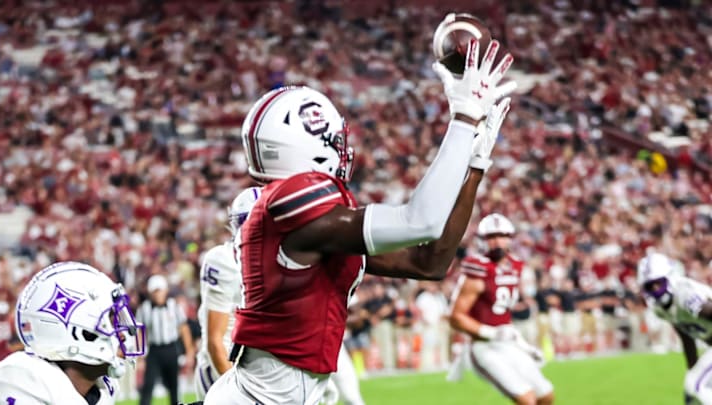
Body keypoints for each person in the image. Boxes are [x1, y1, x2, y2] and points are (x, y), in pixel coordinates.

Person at [204, 37, 516, 405]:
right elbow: (421, 222)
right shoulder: (289, 204)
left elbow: (429, 261)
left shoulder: (306, 225)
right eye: (332, 139)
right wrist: (462, 120)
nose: (342, 148)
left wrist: (475, 167)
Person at [0, 261, 146, 404]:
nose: (122, 334)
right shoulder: (24, 381)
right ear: (78, 331)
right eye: (111, 322)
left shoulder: (103, 389)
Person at [449, 213, 554, 405]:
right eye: (491, 237)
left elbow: (501, 309)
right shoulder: (478, 270)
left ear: (510, 238)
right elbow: (456, 317)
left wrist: (520, 342)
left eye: (502, 236)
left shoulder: (514, 266)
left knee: (546, 395)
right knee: (527, 400)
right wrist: (491, 333)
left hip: (509, 343)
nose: (497, 242)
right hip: (484, 346)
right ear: (482, 240)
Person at [194, 186, 261, 399]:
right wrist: (237, 390)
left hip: (255, 371)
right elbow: (215, 340)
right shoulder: (224, 261)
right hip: (222, 368)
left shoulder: (271, 263)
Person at [637, 252, 712, 404]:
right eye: (650, 286)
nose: (656, 289)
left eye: (659, 283)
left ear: (669, 277)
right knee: (692, 394)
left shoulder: (685, 293)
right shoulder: (659, 309)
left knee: (696, 386)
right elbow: (685, 335)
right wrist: (692, 367)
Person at [136, 275, 195, 405]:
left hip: (171, 349)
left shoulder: (174, 306)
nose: (158, 294)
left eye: (160, 290)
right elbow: (140, 333)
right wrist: (140, 356)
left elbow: (184, 329)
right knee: (148, 386)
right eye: (155, 291)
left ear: (165, 291)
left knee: (174, 387)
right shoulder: (144, 309)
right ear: (150, 292)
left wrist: (189, 351)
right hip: (154, 351)